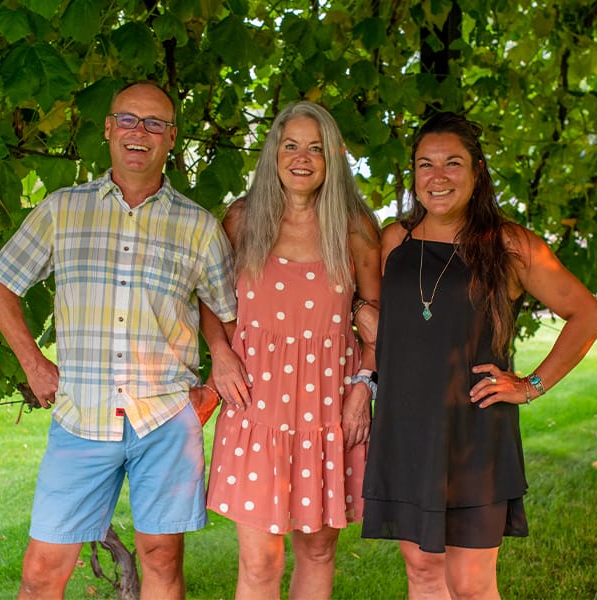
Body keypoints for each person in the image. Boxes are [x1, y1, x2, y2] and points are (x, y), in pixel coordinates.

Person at [0, 81, 238, 600]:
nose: (139, 132)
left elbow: (226, 312)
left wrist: (212, 389)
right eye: (128, 119)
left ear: (171, 138)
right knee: (41, 571)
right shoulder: (62, 209)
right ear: (108, 128)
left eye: (155, 123)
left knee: (162, 560)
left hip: (165, 421)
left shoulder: (199, 226)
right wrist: (33, 364)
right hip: (82, 417)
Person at [361, 111, 597, 599]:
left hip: (474, 435)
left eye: (452, 163)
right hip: (405, 431)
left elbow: (588, 315)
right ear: (413, 174)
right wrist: (360, 312)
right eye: (426, 164)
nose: (438, 176)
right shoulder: (395, 241)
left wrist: (531, 385)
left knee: (471, 585)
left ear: (477, 171)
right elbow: (369, 313)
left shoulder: (508, 244)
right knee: (422, 573)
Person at [203, 100, 382, 600]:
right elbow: (209, 298)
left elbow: (377, 323)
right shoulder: (242, 219)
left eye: (316, 148)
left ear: (333, 158)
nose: (302, 158)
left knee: (319, 552)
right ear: (274, 154)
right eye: (291, 146)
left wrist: (362, 390)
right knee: (260, 562)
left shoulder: (354, 227)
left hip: (330, 408)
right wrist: (219, 351)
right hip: (256, 406)